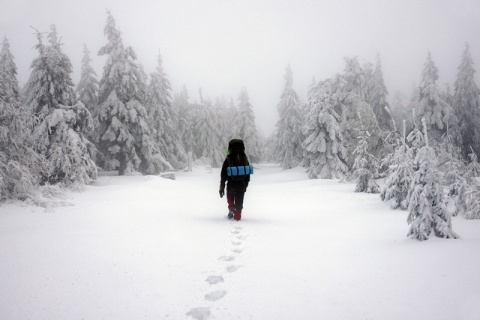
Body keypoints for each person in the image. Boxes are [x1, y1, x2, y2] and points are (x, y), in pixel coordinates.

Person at [219, 139, 252, 221]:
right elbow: (247, 172)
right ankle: (237, 218)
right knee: (239, 202)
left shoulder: (228, 159)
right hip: (241, 183)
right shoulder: (244, 159)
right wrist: (246, 184)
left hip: (231, 183)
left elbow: (223, 173)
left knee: (230, 196)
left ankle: (231, 206)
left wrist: (222, 186)